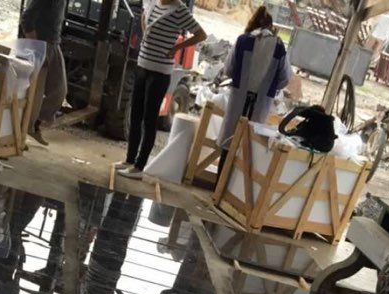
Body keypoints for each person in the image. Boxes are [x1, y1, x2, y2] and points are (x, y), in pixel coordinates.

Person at [117, 0, 206, 179]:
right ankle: (129, 160)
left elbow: (201, 34)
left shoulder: (179, 9)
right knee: (135, 115)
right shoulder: (154, 3)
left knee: (149, 120)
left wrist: (177, 48)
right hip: (143, 63)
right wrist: (145, 26)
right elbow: (145, 21)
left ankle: (139, 167)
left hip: (160, 71)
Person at [219, 6, 291, 149]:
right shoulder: (278, 46)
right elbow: (285, 78)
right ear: (270, 26)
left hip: (238, 98)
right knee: (249, 145)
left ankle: (224, 163)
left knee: (230, 140)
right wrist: (271, 87)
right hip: (261, 103)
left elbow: (228, 69)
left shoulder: (243, 40)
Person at [20, 0, 67, 147]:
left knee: (59, 91)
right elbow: (27, 17)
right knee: (34, 93)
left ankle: (35, 123)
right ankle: (21, 133)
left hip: (54, 44)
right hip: (40, 44)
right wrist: (35, 44)